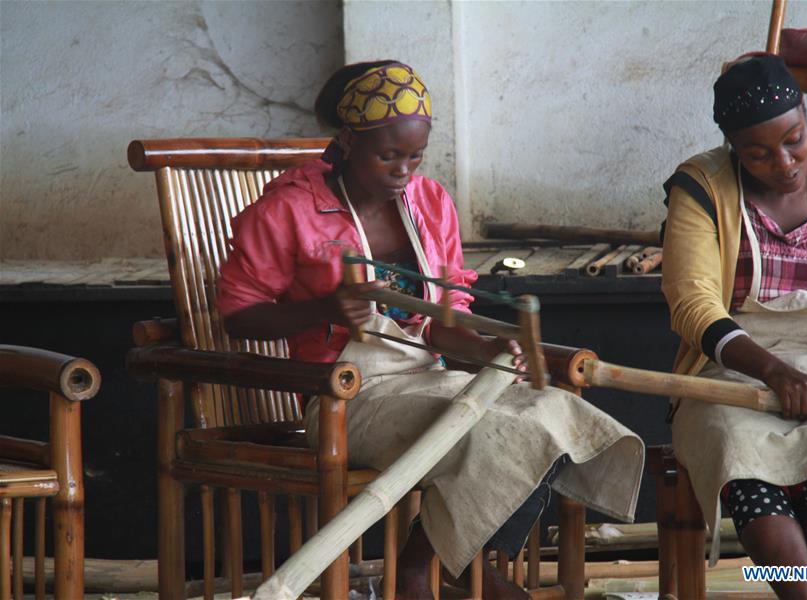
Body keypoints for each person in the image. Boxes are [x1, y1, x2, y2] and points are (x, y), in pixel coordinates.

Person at [217, 60, 645, 599]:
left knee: (557, 414)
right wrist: (325, 309)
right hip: (344, 400)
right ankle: (442, 571)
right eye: (388, 156)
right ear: (347, 141)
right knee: (498, 431)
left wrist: (485, 346)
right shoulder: (290, 210)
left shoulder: (429, 202)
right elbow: (237, 315)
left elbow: (440, 326)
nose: (404, 170)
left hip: (430, 378)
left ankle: (424, 563)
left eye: (415, 155)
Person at [662, 53, 807, 600]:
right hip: (729, 374)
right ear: (732, 146)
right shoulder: (700, 189)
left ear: (806, 114)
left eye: (795, 140)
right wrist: (773, 371)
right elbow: (692, 305)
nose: (785, 162)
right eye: (759, 154)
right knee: (738, 452)